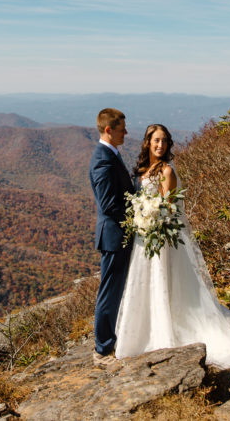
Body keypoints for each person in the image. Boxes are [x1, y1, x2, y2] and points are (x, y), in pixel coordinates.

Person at [114, 123, 230, 370]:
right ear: (147, 143)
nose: (160, 145)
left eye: (164, 141)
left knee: (163, 283)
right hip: (143, 237)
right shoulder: (142, 170)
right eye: (156, 141)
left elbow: (170, 209)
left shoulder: (166, 172)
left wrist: (152, 218)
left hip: (158, 237)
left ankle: (164, 333)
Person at [89, 108, 135, 367]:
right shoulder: (102, 160)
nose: (126, 133)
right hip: (115, 237)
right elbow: (108, 204)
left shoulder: (110, 155)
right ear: (108, 130)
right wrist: (136, 216)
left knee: (116, 289)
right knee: (109, 291)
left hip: (119, 236)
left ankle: (112, 338)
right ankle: (102, 348)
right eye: (121, 129)